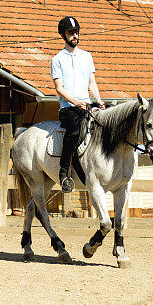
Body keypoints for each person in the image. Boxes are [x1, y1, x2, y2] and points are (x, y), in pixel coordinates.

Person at [51, 16, 105, 193]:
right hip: (68, 108)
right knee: (74, 132)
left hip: (87, 105)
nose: (74, 36)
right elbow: (59, 89)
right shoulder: (57, 59)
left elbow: (92, 83)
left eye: (76, 32)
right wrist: (75, 102)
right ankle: (64, 172)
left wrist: (99, 101)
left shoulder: (86, 56)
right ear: (63, 35)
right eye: (70, 33)